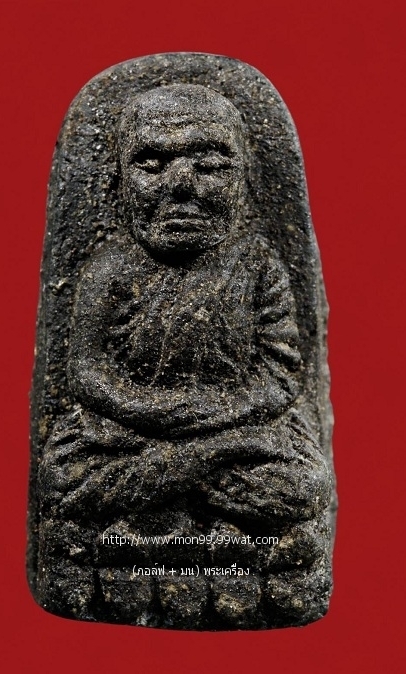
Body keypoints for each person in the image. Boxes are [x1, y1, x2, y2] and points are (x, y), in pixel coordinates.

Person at [38, 85, 331, 628]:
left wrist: (224, 416)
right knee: (64, 476)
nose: (181, 186)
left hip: (234, 429)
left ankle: (150, 517)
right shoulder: (109, 269)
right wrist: (154, 413)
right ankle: (220, 525)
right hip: (128, 434)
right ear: (118, 183)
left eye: (210, 165)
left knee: (302, 486)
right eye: (152, 163)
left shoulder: (258, 266)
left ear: (245, 181)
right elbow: (86, 372)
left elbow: (281, 371)